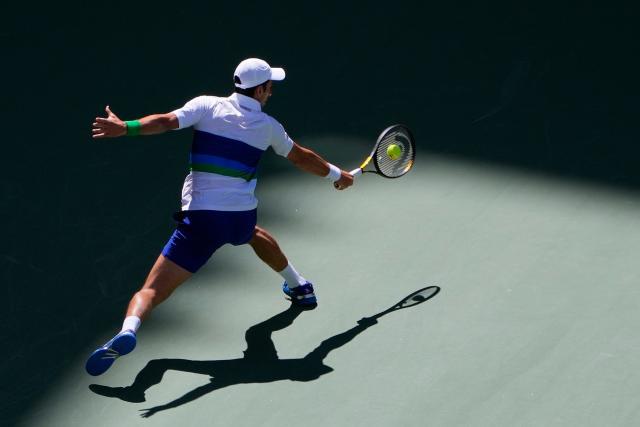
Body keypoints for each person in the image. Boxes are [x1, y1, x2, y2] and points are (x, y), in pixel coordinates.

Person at [85, 58, 354, 376]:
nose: (272, 93)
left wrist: (125, 128)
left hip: (201, 221)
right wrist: (338, 175)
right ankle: (300, 287)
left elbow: (165, 122)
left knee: (151, 292)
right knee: (252, 233)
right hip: (238, 217)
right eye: (270, 87)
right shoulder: (269, 127)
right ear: (262, 89)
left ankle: (129, 330)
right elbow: (301, 157)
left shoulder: (206, 106)